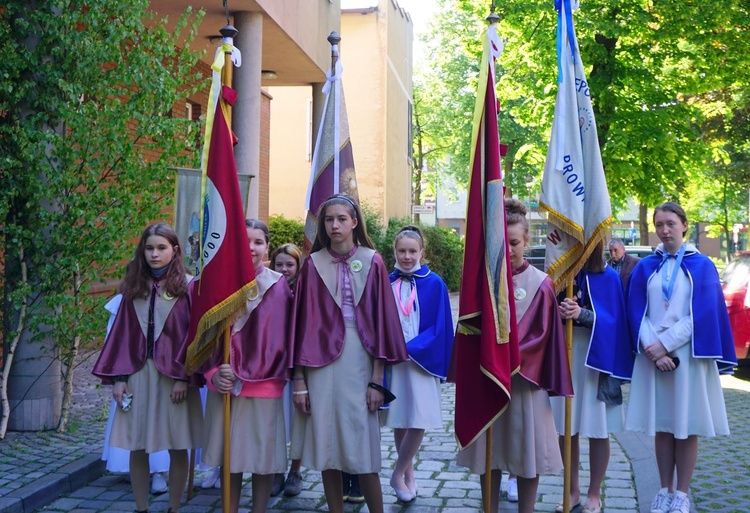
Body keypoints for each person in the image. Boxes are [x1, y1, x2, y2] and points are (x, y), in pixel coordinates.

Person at [290, 194, 409, 513]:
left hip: (360, 357)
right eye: (329, 220)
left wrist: (377, 381)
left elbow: (383, 323)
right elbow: (301, 325)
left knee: (363, 447)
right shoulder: (313, 265)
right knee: (326, 444)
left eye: (341, 219)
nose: (334, 225)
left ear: (354, 222)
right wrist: (299, 380)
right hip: (319, 361)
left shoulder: (373, 261)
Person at [457, 199, 573, 513]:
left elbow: (543, 335)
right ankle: (489, 508)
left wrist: (506, 359)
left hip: (524, 382)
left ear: (527, 240)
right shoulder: (483, 282)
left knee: (526, 453)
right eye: (502, 242)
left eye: (514, 242)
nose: (508, 249)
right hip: (490, 381)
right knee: (490, 454)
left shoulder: (541, 283)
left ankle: (527, 509)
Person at [625, 202, 736, 513]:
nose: (664, 230)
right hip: (653, 358)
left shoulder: (702, 266)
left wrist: (666, 343)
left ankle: (682, 495)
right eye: (659, 224)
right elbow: (636, 311)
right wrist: (653, 348)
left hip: (688, 356)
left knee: (686, 426)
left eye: (671, 223)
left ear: (685, 225)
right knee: (663, 425)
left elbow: (702, 313)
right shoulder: (646, 266)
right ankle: (664, 489)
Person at [92, 223, 204, 513]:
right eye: (150, 248)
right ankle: (141, 508)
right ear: (143, 251)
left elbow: (193, 336)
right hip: (139, 373)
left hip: (174, 378)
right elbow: (121, 336)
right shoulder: (133, 288)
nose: (155, 254)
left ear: (175, 250)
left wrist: (184, 377)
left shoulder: (190, 287)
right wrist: (119, 379)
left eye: (161, 248)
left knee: (178, 443)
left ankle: (174, 508)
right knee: (137, 444)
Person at [201, 219, 294, 513]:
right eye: (245, 241)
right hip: (226, 384)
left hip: (263, 384)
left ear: (267, 247)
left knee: (262, 459)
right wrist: (214, 371)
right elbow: (204, 336)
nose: (251, 248)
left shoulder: (278, 286)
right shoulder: (217, 283)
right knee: (231, 457)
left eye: (258, 242)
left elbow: (284, 336)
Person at [553, 240, 634, 513]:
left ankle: (594, 493)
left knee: (597, 429)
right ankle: (572, 489)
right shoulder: (560, 274)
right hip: (566, 356)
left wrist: (582, 314)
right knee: (567, 429)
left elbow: (614, 324)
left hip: (594, 361)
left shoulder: (608, 277)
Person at [386, 225, 454, 503]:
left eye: (412, 251)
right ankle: (409, 477)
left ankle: (396, 472)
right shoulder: (385, 281)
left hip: (421, 361)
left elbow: (441, 325)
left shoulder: (434, 283)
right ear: (394, 251)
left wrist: (411, 348)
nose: (406, 256)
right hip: (393, 360)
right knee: (400, 418)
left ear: (422, 252)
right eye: (401, 250)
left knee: (419, 418)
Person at [101, 294, 172, 496]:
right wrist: (119, 376)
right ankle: (135, 470)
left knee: (158, 420)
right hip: (132, 369)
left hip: (162, 368)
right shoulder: (127, 298)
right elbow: (115, 339)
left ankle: (159, 470)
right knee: (134, 423)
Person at [268, 242, 305, 498]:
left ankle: (295, 470)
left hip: (300, 366)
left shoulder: (305, 291)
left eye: (289, 265)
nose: (284, 270)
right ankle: (276, 470)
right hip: (275, 365)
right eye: (279, 264)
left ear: (298, 266)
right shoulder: (269, 289)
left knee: (298, 421)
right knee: (276, 420)